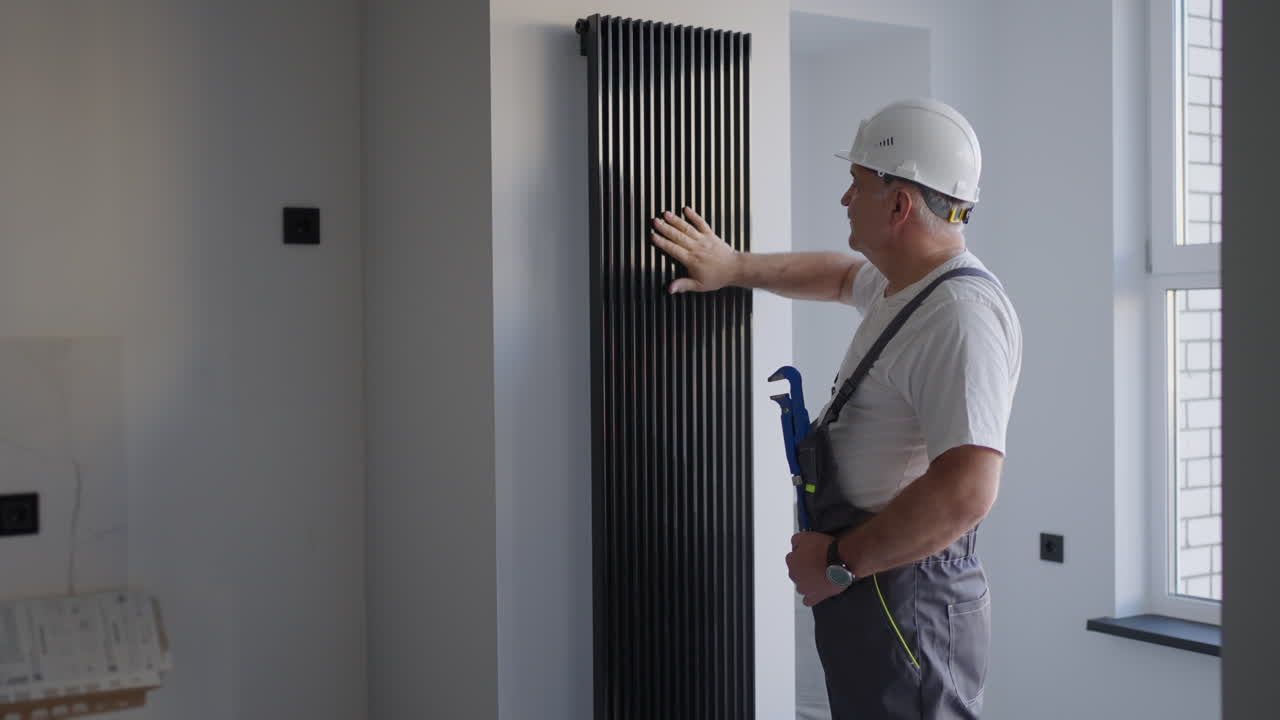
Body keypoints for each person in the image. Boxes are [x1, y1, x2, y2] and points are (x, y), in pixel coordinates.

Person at [651, 97, 1021, 719]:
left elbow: (967, 493)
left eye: (857, 185)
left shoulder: (960, 317)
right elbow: (841, 277)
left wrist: (839, 564)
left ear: (900, 204)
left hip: (906, 590)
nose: (845, 201)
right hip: (880, 576)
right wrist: (734, 266)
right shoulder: (907, 283)